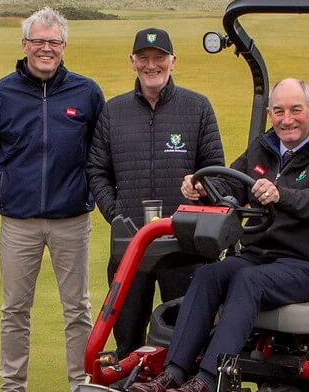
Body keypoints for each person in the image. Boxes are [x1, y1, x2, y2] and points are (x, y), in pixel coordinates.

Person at [149, 78, 309, 392]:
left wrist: (281, 195)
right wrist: (203, 188)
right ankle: (173, 371)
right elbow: (232, 184)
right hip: (261, 255)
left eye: (295, 110)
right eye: (279, 111)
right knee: (207, 275)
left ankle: (206, 381)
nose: (287, 119)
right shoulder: (263, 146)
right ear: (270, 114)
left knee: (248, 281)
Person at [0, 7, 106, 392]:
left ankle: (81, 389)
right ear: (25, 44)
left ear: (63, 46)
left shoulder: (86, 93)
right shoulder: (0, 95)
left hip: (71, 219)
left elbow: (97, 152)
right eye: (38, 41)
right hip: (19, 221)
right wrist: (8, 185)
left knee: (78, 309)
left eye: (54, 42)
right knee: (14, 308)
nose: (46, 48)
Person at [86, 27, 225, 352]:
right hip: (130, 246)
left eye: (159, 58)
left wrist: (201, 189)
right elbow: (96, 170)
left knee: (187, 341)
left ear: (172, 61)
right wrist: (116, 212)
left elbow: (219, 173)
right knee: (127, 342)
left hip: (184, 248)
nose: (152, 65)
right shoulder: (113, 111)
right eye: (144, 58)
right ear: (132, 62)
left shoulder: (197, 108)